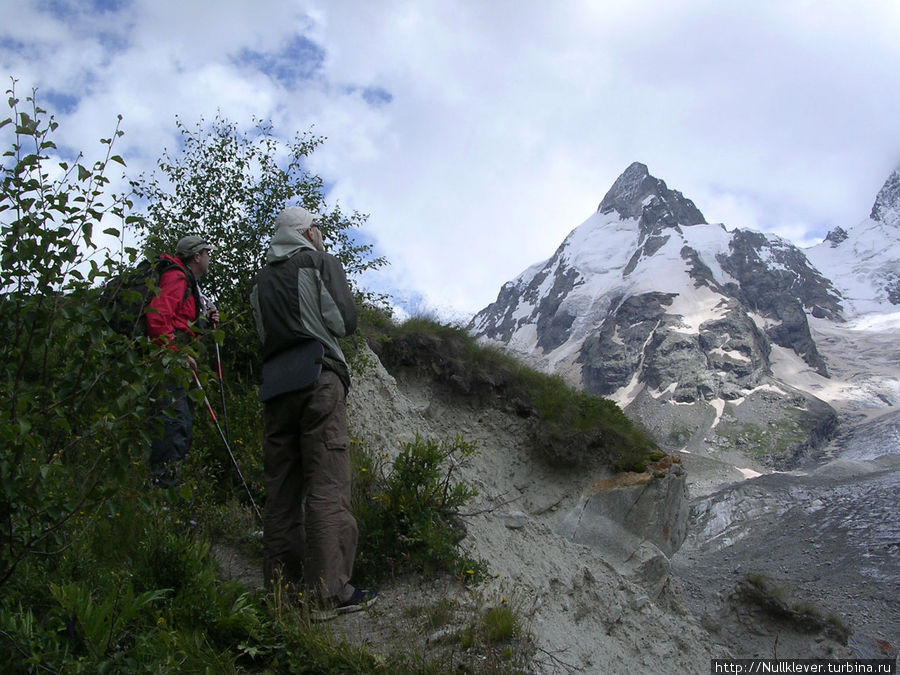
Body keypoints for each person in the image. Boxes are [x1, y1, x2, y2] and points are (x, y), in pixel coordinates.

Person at [250, 206, 375, 620]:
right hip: (319, 378)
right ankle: (329, 594)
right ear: (307, 231)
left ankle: (281, 595)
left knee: (281, 491)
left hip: (275, 388)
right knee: (327, 484)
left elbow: (265, 336)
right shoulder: (320, 262)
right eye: (317, 229)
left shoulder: (261, 283)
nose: (320, 235)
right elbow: (344, 322)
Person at [147, 234, 219, 487]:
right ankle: (162, 490)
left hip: (172, 362)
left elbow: (180, 324)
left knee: (180, 423)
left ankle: (165, 487)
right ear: (197, 256)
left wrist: (205, 322)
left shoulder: (188, 284)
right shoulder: (176, 278)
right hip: (167, 364)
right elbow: (157, 319)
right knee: (174, 423)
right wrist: (176, 354)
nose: (209, 258)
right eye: (207, 253)